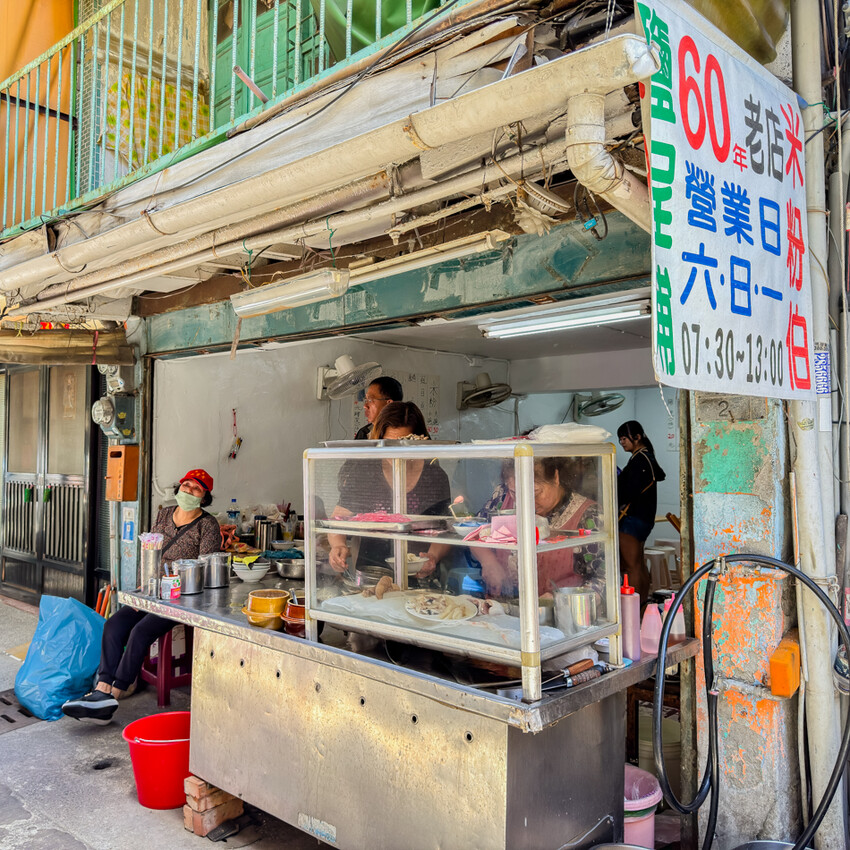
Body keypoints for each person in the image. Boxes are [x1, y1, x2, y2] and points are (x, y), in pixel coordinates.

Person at [61, 468, 221, 724]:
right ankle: (102, 688)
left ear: (204, 497)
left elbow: (204, 566)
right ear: (179, 487)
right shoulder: (165, 514)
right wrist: (141, 592)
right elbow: (148, 552)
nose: (189, 491)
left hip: (179, 598)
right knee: (114, 625)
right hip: (151, 591)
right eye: (186, 485)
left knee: (139, 632)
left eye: (196, 488)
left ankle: (115, 693)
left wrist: (173, 586)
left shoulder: (208, 525)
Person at [330, 402, 449, 578]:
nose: (395, 453)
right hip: (372, 572)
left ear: (419, 441)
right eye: (389, 444)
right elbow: (339, 517)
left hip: (419, 573)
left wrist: (433, 557)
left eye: (403, 444)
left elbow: (446, 529)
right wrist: (338, 545)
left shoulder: (434, 476)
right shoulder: (365, 471)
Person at [474, 458, 605, 602]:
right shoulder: (502, 497)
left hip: (557, 613)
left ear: (555, 478)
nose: (525, 503)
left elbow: (604, 580)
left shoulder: (589, 516)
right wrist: (488, 561)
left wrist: (561, 599)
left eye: (535, 493)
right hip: (500, 608)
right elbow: (473, 530)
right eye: (514, 493)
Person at [617, 420, 666, 606]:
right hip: (643, 519)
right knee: (639, 564)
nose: (622, 442)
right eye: (620, 439)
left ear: (637, 437)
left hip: (632, 519)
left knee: (631, 567)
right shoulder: (645, 457)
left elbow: (628, 492)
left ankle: (634, 609)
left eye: (624, 438)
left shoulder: (640, 460)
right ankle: (643, 605)